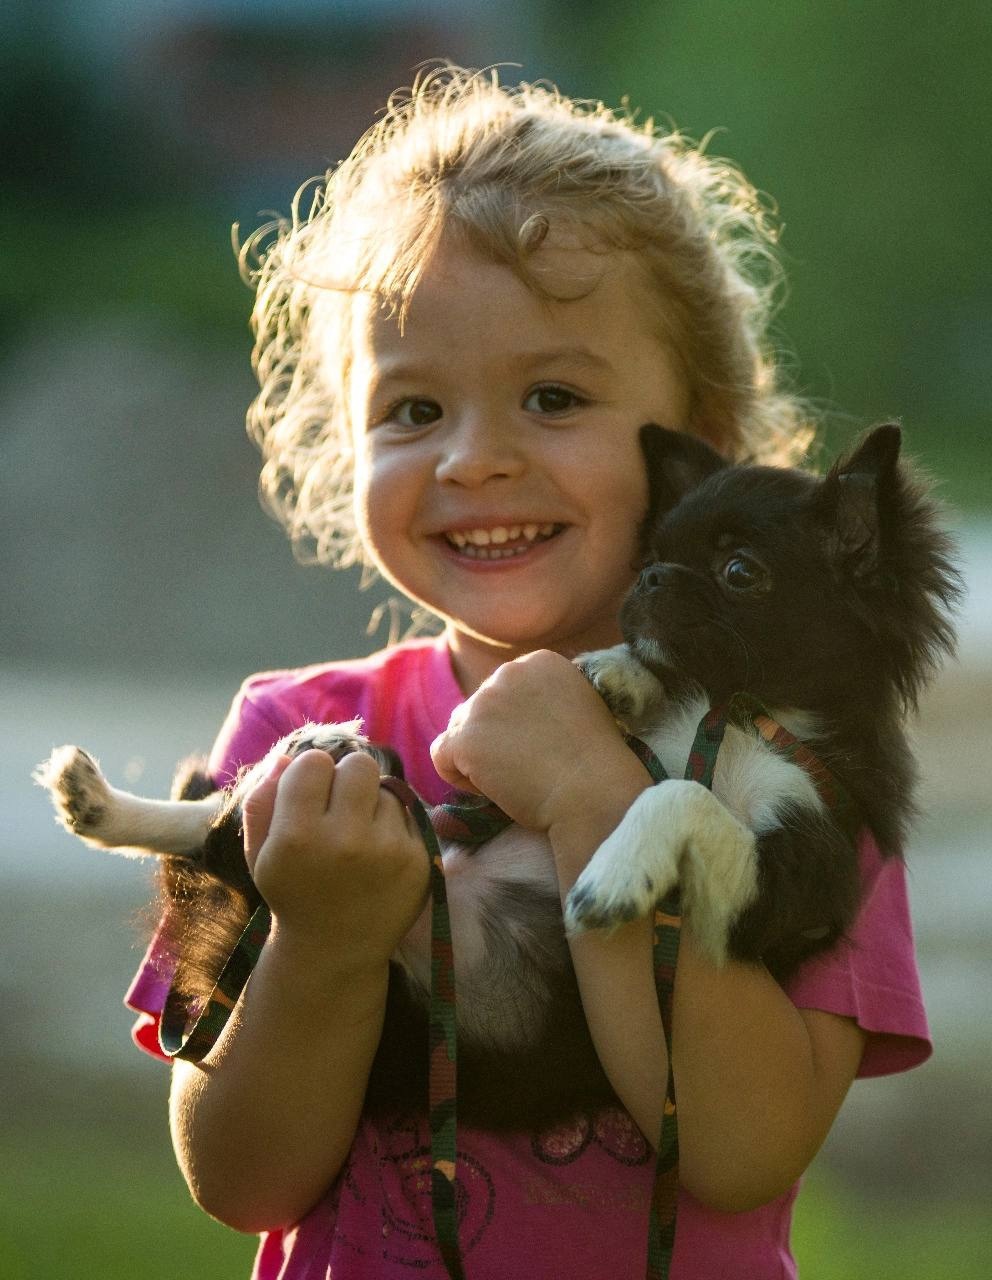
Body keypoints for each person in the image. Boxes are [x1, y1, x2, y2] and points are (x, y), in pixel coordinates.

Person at [126, 66, 931, 1278]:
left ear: (700, 442)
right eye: (410, 410)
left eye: (551, 396)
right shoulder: (295, 738)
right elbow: (240, 1179)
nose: (474, 458)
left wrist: (593, 798)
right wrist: (323, 939)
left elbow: (740, 1148)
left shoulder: (804, 761)